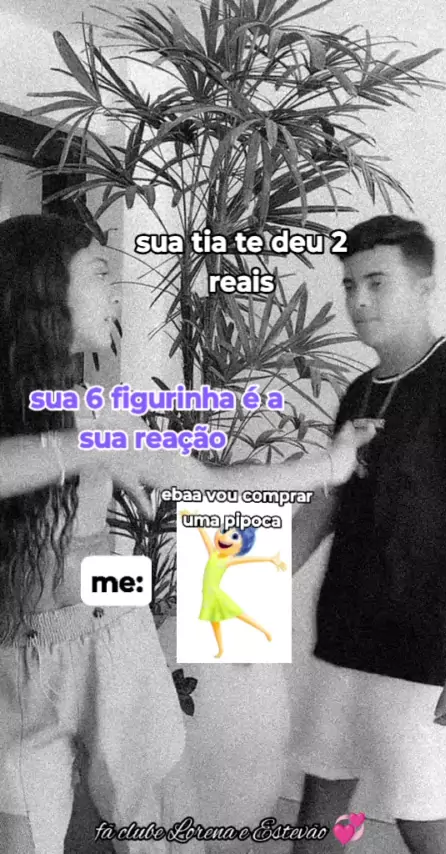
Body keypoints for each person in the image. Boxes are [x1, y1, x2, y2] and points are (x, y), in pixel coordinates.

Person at [0, 214, 374, 854]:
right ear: (44, 290)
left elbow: (210, 484)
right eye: (98, 272)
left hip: (110, 634)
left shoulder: (103, 409)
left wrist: (331, 465)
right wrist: (89, 447)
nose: (116, 291)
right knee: (22, 836)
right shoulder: (84, 424)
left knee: (156, 832)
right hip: (13, 652)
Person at [291, 215, 446, 854]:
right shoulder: (359, 393)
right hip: (344, 641)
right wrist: (237, 595)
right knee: (318, 816)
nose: (359, 300)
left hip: (425, 654)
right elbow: (328, 505)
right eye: (350, 285)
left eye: (377, 282)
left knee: (423, 823)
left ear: (424, 286)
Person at [181, 515, 287, 657]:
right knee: (215, 622)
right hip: (207, 595)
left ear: (241, 548)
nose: (224, 537)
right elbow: (204, 535)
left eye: (234, 536)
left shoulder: (227, 560)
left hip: (216, 595)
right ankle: (221, 650)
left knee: (239, 614)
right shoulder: (213, 554)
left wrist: (269, 559)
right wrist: (195, 520)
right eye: (224, 530)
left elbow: (249, 560)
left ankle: (264, 631)